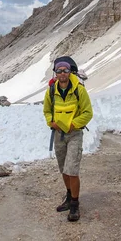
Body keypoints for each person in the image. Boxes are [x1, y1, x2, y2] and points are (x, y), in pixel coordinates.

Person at [43, 56, 93, 222]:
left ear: (70, 71)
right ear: (55, 73)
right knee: (64, 169)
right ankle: (69, 196)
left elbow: (87, 113)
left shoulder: (79, 89)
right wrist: (51, 122)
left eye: (65, 70)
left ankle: (74, 205)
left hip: (74, 134)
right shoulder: (51, 90)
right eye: (59, 70)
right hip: (58, 135)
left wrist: (74, 124)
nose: (62, 73)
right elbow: (47, 110)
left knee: (72, 169)